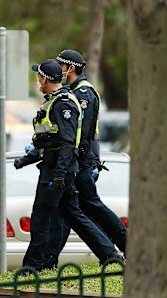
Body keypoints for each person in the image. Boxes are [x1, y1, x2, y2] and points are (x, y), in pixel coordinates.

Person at [14, 60, 122, 272]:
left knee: (41, 216)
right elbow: (50, 140)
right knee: (74, 215)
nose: (38, 80)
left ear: (45, 79)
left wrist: (60, 175)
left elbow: (67, 143)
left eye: (39, 76)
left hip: (57, 170)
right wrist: (26, 160)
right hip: (56, 168)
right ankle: (110, 255)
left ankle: (32, 266)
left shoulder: (63, 103)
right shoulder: (55, 101)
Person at [56, 49, 127, 253]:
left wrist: (75, 159)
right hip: (80, 158)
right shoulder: (74, 91)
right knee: (74, 209)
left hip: (83, 159)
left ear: (70, 68)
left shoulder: (83, 93)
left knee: (90, 204)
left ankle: (123, 244)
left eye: (61, 66)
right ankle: (48, 258)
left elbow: (81, 131)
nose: (59, 71)